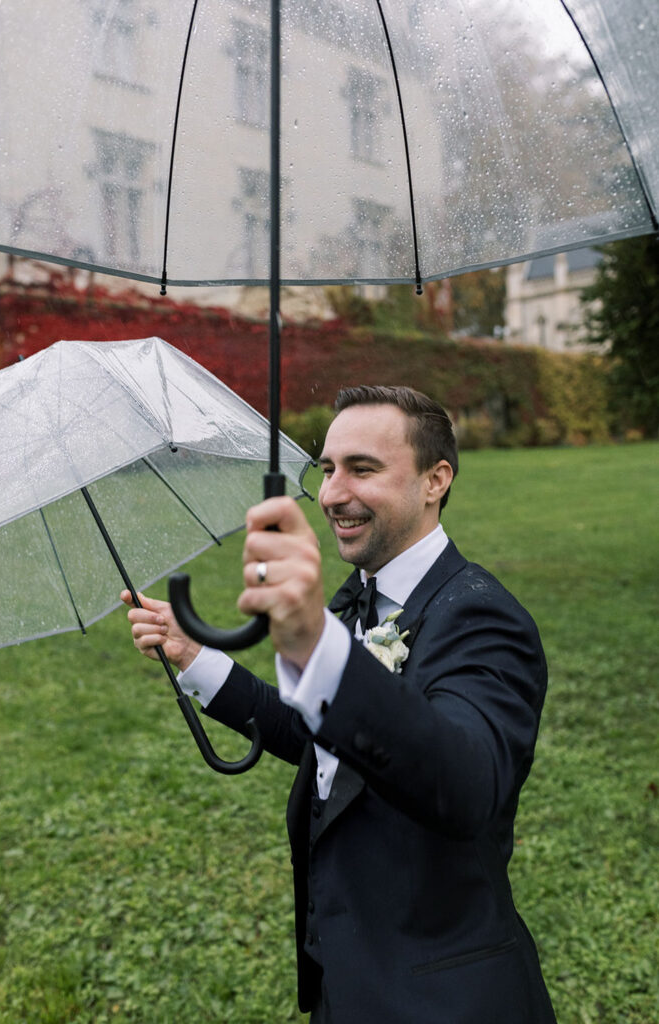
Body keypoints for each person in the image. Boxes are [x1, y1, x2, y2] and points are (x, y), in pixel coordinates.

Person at [123, 385, 557, 1024]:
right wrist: (197, 658)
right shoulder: (358, 597)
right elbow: (326, 741)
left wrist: (318, 647)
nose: (329, 494)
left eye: (362, 469)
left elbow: (466, 784)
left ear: (436, 479)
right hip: (343, 983)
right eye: (327, 469)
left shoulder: (483, 616)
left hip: (439, 996)